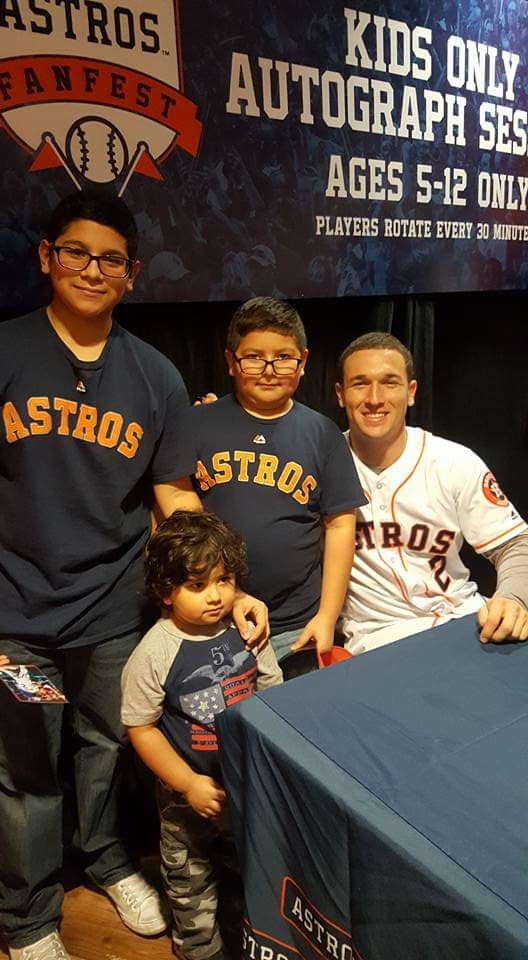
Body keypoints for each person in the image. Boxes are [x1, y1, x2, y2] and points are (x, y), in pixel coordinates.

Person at [0, 190, 267, 960]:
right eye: (76, 252)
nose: (92, 268)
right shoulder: (7, 351)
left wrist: (231, 584)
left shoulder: (153, 375)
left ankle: (108, 861)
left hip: (112, 610)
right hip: (15, 615)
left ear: (132, 273)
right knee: (23, 772)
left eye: (110, 258)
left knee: (107, 749)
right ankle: (27, 917)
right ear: (47, 258)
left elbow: (174, 496)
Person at [121, 510, 282, 960]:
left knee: (246, 875)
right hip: (185, 800)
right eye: (198, 585)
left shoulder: (246, 629)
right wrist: (188, 783)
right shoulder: (154, 652)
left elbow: (272, 692)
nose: (216, 596)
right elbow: (141, 726)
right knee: (189, 884)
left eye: (224, 580)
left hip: (247, 787)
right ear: (165, 592)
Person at [170, 297, 366, 662]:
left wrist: (327, 616)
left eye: (283, 357)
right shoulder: (196, 424)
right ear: (231, 361)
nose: (269, 369)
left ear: (303, 362)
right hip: (211, 618)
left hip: (296, 625)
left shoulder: (321, 433)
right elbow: (171, 504)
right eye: (254, 357)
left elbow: (340, 526)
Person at [335, 332, 528, 654]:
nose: (374, 397)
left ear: (411, 392)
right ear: (340, 394)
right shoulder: (322, 464)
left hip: (467, 624)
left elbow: (514, 543)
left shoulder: (452, 461)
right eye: (359, 383)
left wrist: (513, 598)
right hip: (378, 642)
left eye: (390, 382)